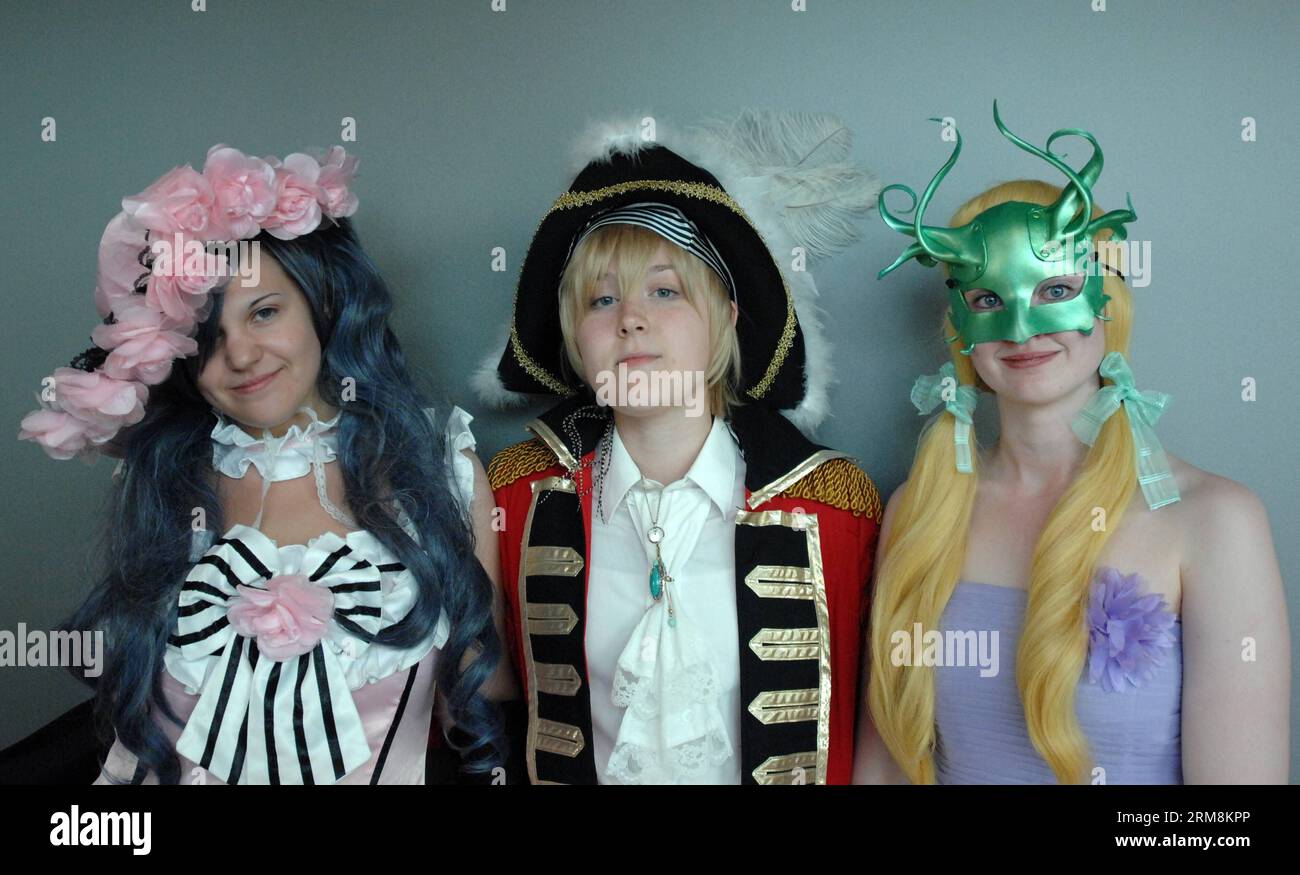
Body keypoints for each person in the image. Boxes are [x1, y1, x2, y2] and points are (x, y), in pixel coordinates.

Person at [17, 144, 515, 784]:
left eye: (265, 312)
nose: (243, 355)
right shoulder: (163, 476)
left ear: (323, 303)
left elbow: (483, 688)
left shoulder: (439, 464)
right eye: (208, 338)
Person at [855, 104, 1290, 784]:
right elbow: (882, 768)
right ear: (960, 325)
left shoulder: (1215, 520)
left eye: (1055, 288)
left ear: (1106, 303)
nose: (1022, 329)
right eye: (990, 299)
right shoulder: (919, 508)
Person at [477, 113, 882, 784]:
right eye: (601, 299)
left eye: (664, 291)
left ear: (726, 318)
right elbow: (487, 700)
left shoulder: (835, 506)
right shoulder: (515, 495)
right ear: (577, 339)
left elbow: (883, 723)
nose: (630, 317)